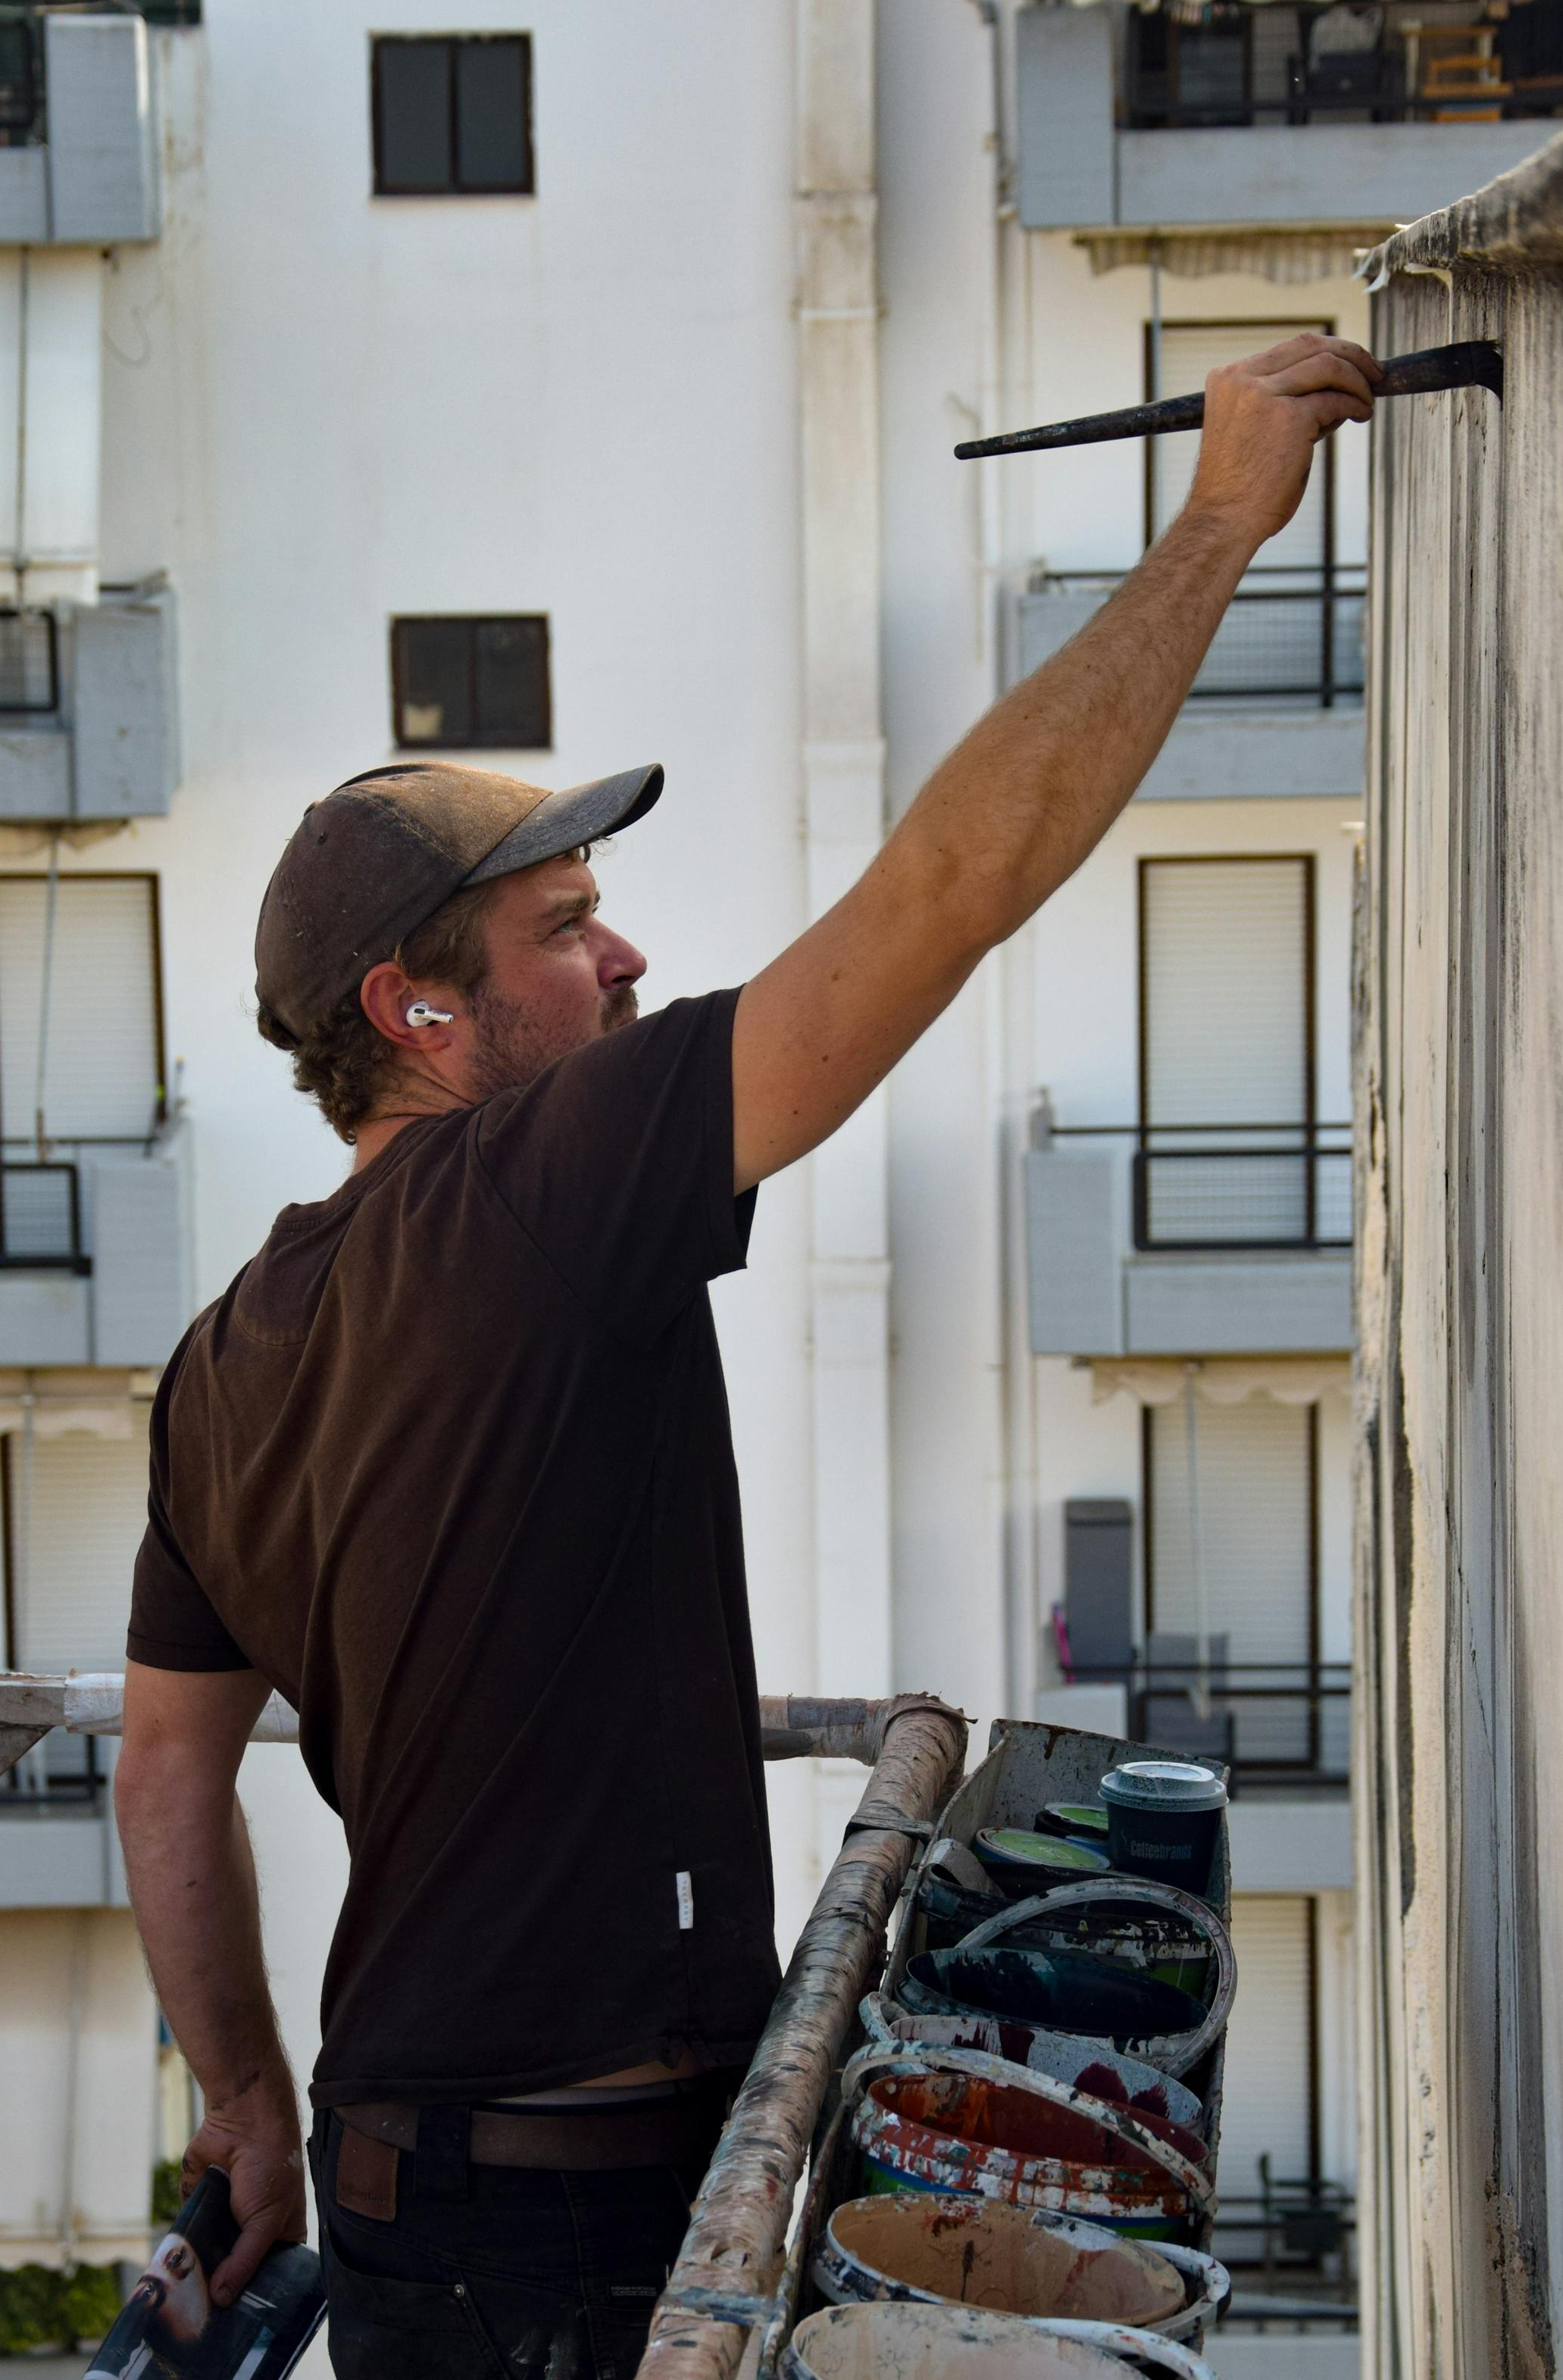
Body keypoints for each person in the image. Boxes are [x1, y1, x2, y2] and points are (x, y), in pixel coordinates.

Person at [114, 333, 1380, 2374]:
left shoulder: (224, 1354)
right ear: (418, 1013)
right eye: (563, 928)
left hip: (403, 2183)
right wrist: (1222, 519)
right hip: (570, 2204)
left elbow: (165, 1769)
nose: (621, 957)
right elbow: (950, 892)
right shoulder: (528, 1187)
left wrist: (245, 2110)